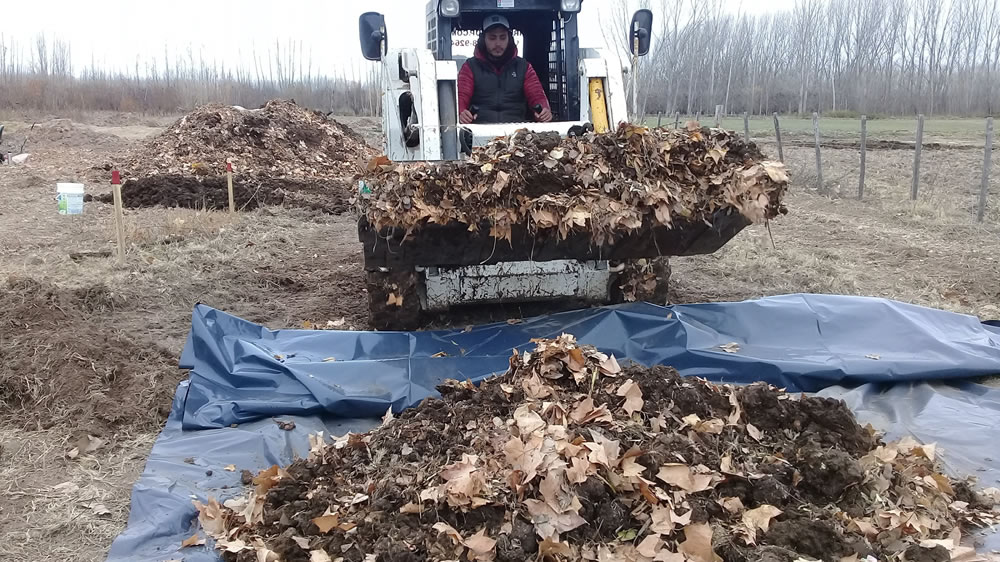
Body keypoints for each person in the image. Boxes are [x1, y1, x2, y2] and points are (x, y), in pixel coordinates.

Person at [458, 14, 553, 125]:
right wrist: (461, 113)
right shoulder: (469, 67)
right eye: (492, 38)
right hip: (478, 132)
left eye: (502, 37)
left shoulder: (524, 67)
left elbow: (537, 96)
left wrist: (544, 111)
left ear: (509, 38)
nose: (498, 43)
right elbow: (461, 97)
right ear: (483, 39)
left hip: (517, 133)